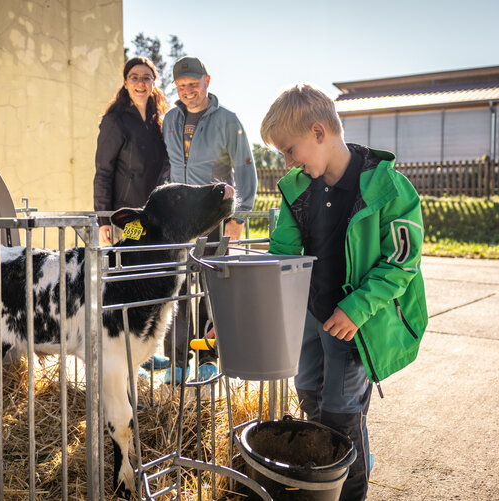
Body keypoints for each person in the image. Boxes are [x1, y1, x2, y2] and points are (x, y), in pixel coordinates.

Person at [261, 84, 428, 501]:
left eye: (290, 150)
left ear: (319, 132)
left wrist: (356, 308)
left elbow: (401, 262)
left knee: (341, 421)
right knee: (312, 403)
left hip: (355, 324)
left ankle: (350, 486)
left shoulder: (389, 188)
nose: (288, 162)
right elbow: (282, 253)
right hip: (312, 317)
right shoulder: (298, 188)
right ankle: (330, 479)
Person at [161, 56, 257, 383]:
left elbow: (245, 169)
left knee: (209, 288)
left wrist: (238, 217)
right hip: (179, 220)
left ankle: (208, 358)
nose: (188, 91)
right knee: (176, 287)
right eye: (182, 86)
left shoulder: (228, 120)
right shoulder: (170, 119)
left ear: (207, 81)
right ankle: (176, 361)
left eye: (194, 84)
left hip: (214, 217)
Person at [94, 56, 170, 247]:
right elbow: (103, 173)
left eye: (146, 77)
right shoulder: (115, 122)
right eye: (134, 77)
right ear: (125, 83)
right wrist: (103, 220)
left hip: (157, 215)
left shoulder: (160, 123)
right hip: (129, 217)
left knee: (156, 268)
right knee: (132, 265)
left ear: (154, 82)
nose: (140, 83)